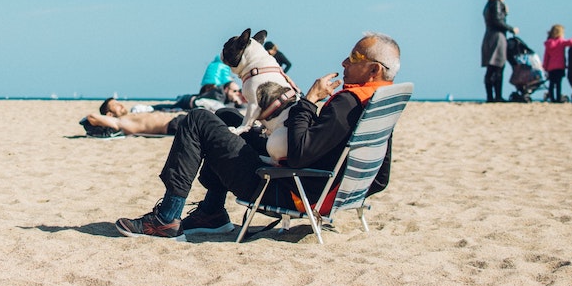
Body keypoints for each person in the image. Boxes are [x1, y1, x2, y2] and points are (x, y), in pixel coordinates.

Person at [114, 32, 400, 241]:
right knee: (227, 118)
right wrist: (345, 193)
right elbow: (381, 177)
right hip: (314, 185)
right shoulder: (379, 101)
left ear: (374, 69)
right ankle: (213, 212)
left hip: (286, 188)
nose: (344, 62)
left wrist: (309, 101)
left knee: (198, 119)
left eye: (353, 58)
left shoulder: (346, 104)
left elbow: (299, 152)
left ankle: (166, 218)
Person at [481, 0, 518, 103]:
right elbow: (497, 21)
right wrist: (511, 28)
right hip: (497, 37)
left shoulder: (488, 5)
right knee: (498, 67)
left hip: (489, 36)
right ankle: (496, 96)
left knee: (492, 67)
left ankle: (491, 96)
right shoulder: (497, 3)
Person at [86, 99, 189, 136]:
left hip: (180, 119)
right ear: (109, 115)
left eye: (118, 102)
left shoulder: (130, 115)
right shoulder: (120, 122)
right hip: (175, 125)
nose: (120, 104)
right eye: (115, 105)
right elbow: (91, 117)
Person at [542, 25, 572, 103]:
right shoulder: (561, 42)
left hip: (551, 67)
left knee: (551, 84)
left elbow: (546, 57)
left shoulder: (548, 44)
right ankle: (558, 98)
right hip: (559, 66)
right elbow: (571, 42)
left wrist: (545, 66)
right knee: (558, 84)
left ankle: (552, 99)